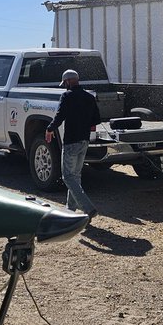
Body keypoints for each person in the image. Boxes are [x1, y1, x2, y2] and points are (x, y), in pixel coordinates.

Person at [45, 68, 100, 219]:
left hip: (71, 141)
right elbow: (96, 119)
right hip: (84, 140)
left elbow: (60, 116)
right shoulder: (89, 97)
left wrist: (49, 129)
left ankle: (88, 208)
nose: (64, 86)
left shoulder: (67, 96)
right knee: (75, 176)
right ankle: (70, 210)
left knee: (68, 177)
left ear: (68, 82)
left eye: (65, 83)